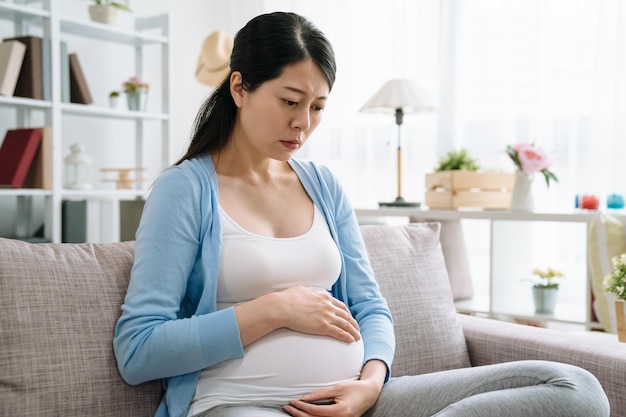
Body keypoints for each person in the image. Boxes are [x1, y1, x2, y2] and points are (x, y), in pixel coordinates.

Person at [113, 11, 610, 417]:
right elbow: (139, 351)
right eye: (290, 101)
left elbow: (371, 307)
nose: (302, 123)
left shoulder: (322, 186)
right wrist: (272, 309)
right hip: (240, 405)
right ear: (240, 88)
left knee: (574, 388)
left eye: (318, 107)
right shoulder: (184, 191)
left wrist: (371, 382)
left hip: (359, 400)